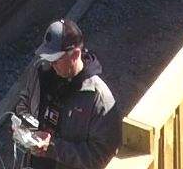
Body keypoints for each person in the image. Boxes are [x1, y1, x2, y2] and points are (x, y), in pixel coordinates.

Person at [10, 18, 117, 168]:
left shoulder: (98, 98)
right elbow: (24, 103)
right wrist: (23, 128)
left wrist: (54, 148)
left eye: (55, 59)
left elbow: (102, 157)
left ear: (75, 54)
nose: (51, 64)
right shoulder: (41, 71)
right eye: (48, 57)